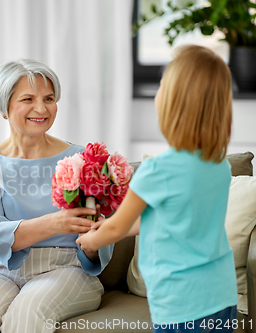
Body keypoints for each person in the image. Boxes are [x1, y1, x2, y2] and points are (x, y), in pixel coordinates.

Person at [76, 45, 238, 332]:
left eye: (162, 85)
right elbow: (168, 219)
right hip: (221, 295)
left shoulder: (156, 171)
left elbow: (115, 230)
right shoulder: (219, 165)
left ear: (173, 103)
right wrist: (111, 226)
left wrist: (92, 241)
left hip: (180, 303)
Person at [0, 58, 114, 333]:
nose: (41, 108)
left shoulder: (83, 158)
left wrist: (95, 238)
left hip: (66, 268)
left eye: (49, 98)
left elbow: (98, 239)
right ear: (5, 107)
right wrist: (58, 223)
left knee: (26, 316)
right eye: (28, 99)